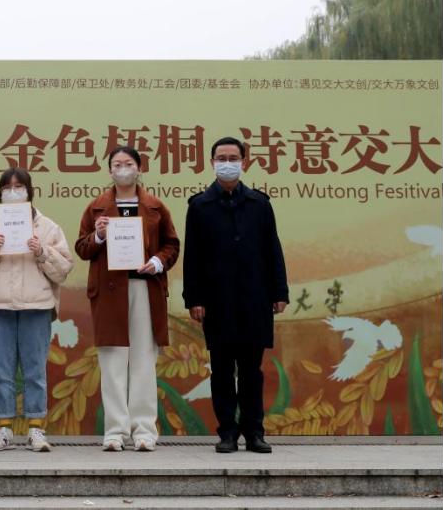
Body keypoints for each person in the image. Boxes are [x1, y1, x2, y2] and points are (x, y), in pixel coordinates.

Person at [183, 136, 288, 454]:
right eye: (221, 158)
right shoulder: (200, 206)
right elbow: (193, 258)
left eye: (232, 158)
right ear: (212, 163)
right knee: (222, 370)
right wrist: (194, 298)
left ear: (244, 162)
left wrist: (279, 291)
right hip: (217, 302)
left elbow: (273, 250)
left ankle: (255, 432)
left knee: (252, 371)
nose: (226, 163)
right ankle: (227, 432)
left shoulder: (259, 204)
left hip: (255, 300)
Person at [75, 146, 180, 452]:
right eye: (117, 164)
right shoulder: (96, 208)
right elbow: (82, 248)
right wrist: (98, 236)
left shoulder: (156, 206)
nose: (123, 169)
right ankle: (115, 431)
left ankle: (144, 430)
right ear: (110, 171)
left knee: (144, 361)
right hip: (110, 293)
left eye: (128, 163)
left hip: (145, 289)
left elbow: (172, 245)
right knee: (112, 363)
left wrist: (157, 262)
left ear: (139, 168)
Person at [0, 168, 73, 452]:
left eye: (19, 186)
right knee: (2, 370)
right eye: (7, 187)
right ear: (0, 193)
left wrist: (42, 251)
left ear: (29, 191)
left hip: (36, 306)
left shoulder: (48, 228)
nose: (13, 192)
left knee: (35, 370)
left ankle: (36, 428)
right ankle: (4, 428)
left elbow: (63, 269)